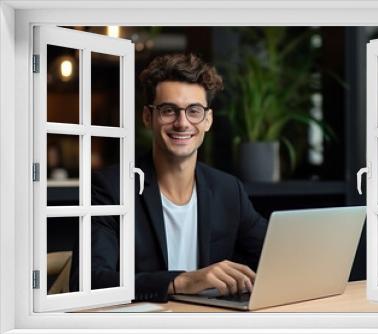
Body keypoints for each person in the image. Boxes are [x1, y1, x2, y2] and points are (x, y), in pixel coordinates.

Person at [70, 53, 268, 302]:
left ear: (208, 120)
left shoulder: (228, 190)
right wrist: (182, 281)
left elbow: (276, 257)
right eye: (168, 111)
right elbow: (88, 280)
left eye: (194, 111)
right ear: (147, 117)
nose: (182, 123)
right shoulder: (111, 188)